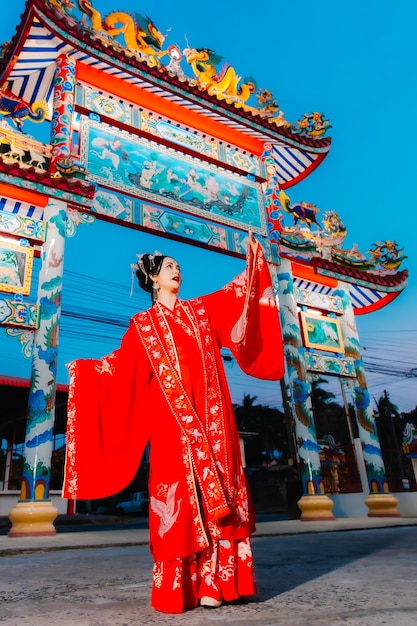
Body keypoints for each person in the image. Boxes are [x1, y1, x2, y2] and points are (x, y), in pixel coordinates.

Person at [62, 233, 284, 613]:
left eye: (178, 267)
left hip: (213, 424)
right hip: (173, 429)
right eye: (168, 267)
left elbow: (239, 296)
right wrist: (86, 373)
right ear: (152, 278)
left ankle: (218, 583)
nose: (176, 270)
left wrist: (252, 261)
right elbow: (121, 371)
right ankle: (181, 588)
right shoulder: (142, 327)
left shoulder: (201, 312)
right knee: (181, 501)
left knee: (221, 497)